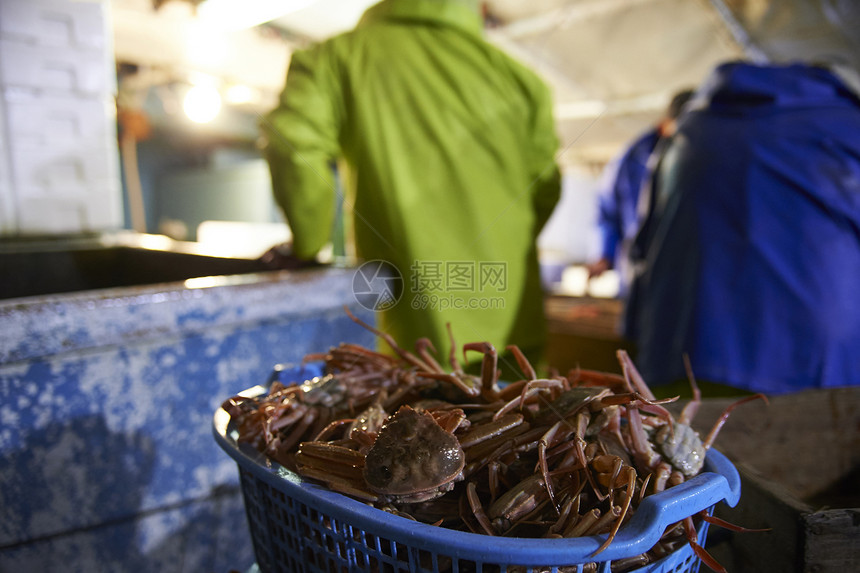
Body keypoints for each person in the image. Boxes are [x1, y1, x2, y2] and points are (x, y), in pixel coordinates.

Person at [260, 0, 561, 373]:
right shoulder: (523, 83)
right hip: (513, 332)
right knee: (532, 426)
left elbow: (292, 147)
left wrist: (306, 244)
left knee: (410, 425)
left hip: (415, 335)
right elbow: (546, 190)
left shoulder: (338, 57)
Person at [624, 60, 860, 395]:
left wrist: (640, 340)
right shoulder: (846, 128)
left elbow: (643, 245)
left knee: (685, 446)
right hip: (813, 364)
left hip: (682, 350)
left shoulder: (691, 129)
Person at [587, 89, 694, 297]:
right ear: (665, 124)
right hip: (637, 269)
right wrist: (603, 254)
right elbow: (608, 209)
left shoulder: (700, 156)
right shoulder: (632, 158)